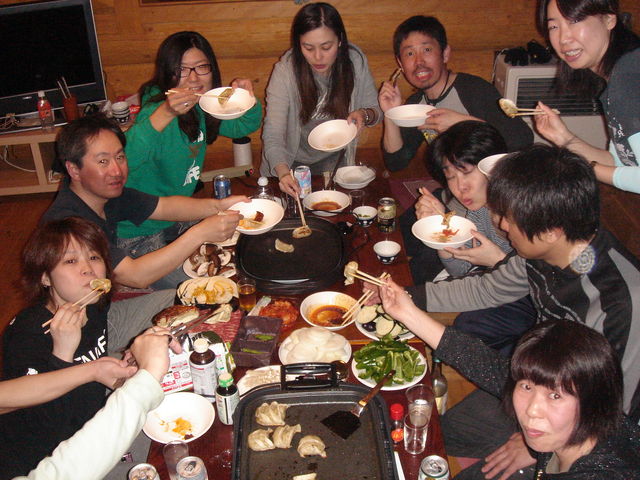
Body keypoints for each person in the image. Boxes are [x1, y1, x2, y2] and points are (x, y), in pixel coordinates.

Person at [367, 144, 640, 479]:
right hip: (534, 382)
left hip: (585, 436)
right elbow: (487, 289)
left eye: (509, 218)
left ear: (551, 231)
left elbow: (617, 414)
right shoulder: (545, 248)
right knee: (440, 432)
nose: (501, 226)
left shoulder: (623, 305)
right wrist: (406, 300)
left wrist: (537, 444)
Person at [378, 281, 640, 479]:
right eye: (527, 386)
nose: (531, 410)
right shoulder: (579, 426)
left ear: (595, 401)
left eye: (555, 395)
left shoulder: (607, 470)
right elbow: (483, 362)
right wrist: (406, 312)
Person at [0, 217, 174, 479]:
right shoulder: (28, 333)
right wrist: (63, 354)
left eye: (94, 257)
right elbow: (51, 430)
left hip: (90, 414)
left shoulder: (91, 304)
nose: (88, 269)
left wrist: (126, 364)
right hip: (49, 457)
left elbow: (94, 370)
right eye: (70, 261)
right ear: (45, 277)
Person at [43, 114, 247, 289]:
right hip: (88, 316)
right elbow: (134, 276)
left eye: (120, 157)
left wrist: (218, 206)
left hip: (102, 296)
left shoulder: (102, 193)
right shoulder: (69, 225)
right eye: (103, 161)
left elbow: (165, 207)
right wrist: (200, 233)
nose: (116, 170)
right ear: (74, 169)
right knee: (201, 290)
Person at [119, 31, 262, 256]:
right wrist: (166, 113)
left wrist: (247, 99)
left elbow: (241, 126)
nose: (193, 79)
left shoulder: (201, 105)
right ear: (167, 72)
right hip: (137, 227)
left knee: (237, 245)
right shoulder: (155, 111)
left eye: (201, 67)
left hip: (176, 216)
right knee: (184, 275)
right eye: (181, 70)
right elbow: (123, 162)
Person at [9, 328, 181, 480]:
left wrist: (95, 370)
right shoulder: (26, 333)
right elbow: (63, 471)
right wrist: (147, 377)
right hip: (40, 453)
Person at [378, 15, 533, 172]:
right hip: (455, 184)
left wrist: (463, 125)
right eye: (410, 54)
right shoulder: (417, 104)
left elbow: (522, 140)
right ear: (400, 63)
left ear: (445, 54)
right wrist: (390, 113)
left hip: (492, 182)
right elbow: (396, 162)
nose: (419, 61)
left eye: (427, 50)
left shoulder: (473, 90)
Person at [260, 2, 381, 196]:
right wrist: (283, 174)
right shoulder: (285, 71)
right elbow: (273, 133)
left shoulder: (355, 62)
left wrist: (364, 114)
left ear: (340, 40)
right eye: (308, 48)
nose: (318, 57)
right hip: (290, 165)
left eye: (326, 47)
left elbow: (376, 111)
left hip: (337, 166)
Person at [534, 0, 640, 194]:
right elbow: (621, 162)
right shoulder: (619, 75)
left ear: (609, 19)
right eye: (554, 26)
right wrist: (563, 138)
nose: (563, 38)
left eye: (575, 20)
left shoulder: (629, 80)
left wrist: (580, 167)